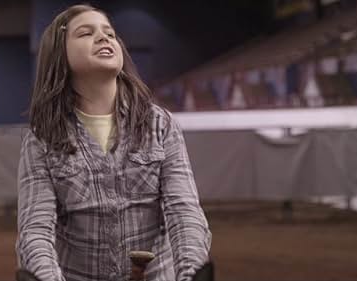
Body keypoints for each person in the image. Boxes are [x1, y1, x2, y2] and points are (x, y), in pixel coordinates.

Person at [16, 4, 211, 281]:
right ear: (59, 54)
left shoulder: (160, 125)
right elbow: (35, 230)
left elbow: (185, 213)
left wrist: (190, 275)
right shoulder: (41, 139)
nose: (103, 37)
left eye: (109, 32)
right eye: (85, 33)